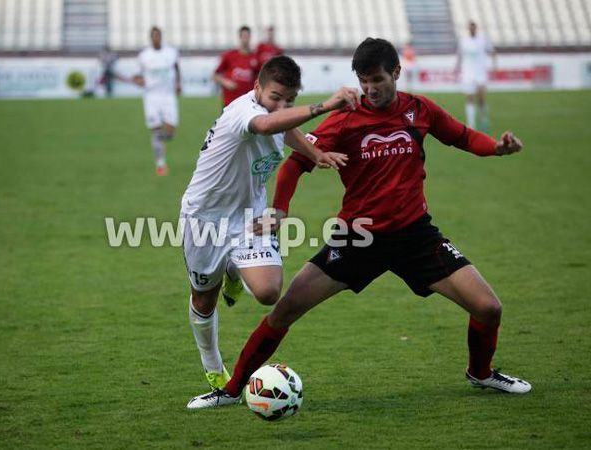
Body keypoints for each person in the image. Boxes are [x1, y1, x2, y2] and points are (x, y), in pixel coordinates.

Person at [187, 37, 531, 409]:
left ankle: (480, 372)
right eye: (363, 80)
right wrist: (281, 209)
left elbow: (461, 137)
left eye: (377, 80)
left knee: (489, 308)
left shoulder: (419, 110)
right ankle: (231, 389)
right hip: (358, 237)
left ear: (396, 73)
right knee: (285, 308)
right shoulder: (347, 119)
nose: (370, 88)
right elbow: (295, 163)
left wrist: (495, 147)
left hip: (416, 236)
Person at [181, 54, 357, 393]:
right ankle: (213, 366)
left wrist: (314, 153)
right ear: (256, 87)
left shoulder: (276, 113)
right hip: (204, 218)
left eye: (288, 100)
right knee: (204, 299)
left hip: (250, 217)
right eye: (275, 97)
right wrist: (324, 106)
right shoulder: (242, 112)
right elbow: (264, 126)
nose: (281, 106)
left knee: (267, 292)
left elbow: (284, 127)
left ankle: (234, 269)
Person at [132, 26, 182, 176]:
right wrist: (139, 80)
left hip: (168, 96)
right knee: (155, 129)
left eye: (158, 35)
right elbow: (136, 76)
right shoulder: (144, 56)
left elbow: (177, 68)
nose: (156, 38)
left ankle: (158, 140)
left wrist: (179, 83)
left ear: (161, 36)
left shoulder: (171, 52)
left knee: (171, 131)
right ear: (150, 38)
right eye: (153, 36)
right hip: (151, 97)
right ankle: (160, 163)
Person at [455, 20, 496, 132]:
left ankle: (484, 120)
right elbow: (459, 55)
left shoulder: (483, 39)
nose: (472, 29)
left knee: (481, 99)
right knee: (469, 98)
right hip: (468, 72)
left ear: (476, 28)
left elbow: (492, 51)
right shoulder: (463, 40)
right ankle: (471, 124)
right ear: (468, 29)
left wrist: (494, 66)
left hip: (480, 72)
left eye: (473, 27)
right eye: (470, 28)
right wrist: (457, 68)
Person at [213, 26, 260, 107]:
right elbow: (215, 75)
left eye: (247, 36)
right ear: (239, 37)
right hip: (230, 103)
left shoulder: (255, 58)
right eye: (243, 36)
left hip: (248, 103)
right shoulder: (229, 55)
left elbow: (259, 77)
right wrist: (226, 82)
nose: (245, 39)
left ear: (250, 38)